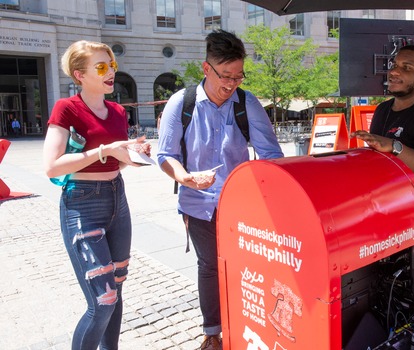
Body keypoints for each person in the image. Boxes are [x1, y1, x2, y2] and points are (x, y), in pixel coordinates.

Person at [157, 29, 283, 350]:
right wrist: (185, 178)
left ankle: (246, 324)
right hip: (197, 203)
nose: (231, 84)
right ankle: (212, 333)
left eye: (238, 77)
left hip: (240, 206)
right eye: (225, 75)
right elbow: (165, 155)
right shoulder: (181, 103)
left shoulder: (246, 103)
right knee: (210, 265)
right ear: (206, 68)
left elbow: (271, 155)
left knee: (246, 266)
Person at [43, 40, 151, 350]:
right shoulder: (67, 108)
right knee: (102, 300)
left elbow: (119, 160)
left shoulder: (117, 111)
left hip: (117, 197)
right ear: (79, 74)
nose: (110, 72)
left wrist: (134, 154)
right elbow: (51, 166)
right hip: (82, 203)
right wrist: (105, 150)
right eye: (101, 67)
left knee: (116, 290)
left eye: (112, 65)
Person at [350, 45, 414, 298]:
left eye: (406, 68)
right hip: (391, 219)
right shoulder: (383, 109)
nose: (395, 72)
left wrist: (394, 146)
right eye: (394, 65)